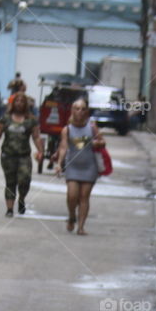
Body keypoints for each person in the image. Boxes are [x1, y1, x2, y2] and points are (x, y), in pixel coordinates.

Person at [0, 91, 43, 217]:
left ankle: (22, 199)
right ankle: (10, 209)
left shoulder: (30, 120)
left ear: (25, 104)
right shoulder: (5, 118)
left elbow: (36, 137)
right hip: (8, 155)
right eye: (17, 101)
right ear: (13, 103)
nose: (19, 103)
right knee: (10, 182)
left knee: (25, 180)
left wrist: (40, 151)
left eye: (22, 101)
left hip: (24, 156)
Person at [55, 97, 105, 235]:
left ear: (87, 111)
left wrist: (96, 143)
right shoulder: (67, 130)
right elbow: (63, 147)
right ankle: (72, 216)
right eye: (77, 108)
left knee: (84, 197)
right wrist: (59, 164)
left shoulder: (92, 127)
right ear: (72, 110)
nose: (80, 112)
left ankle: (81, 226)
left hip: (89, 166)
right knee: (72, 196)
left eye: (83, 109)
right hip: (73, 166)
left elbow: (102, 142)